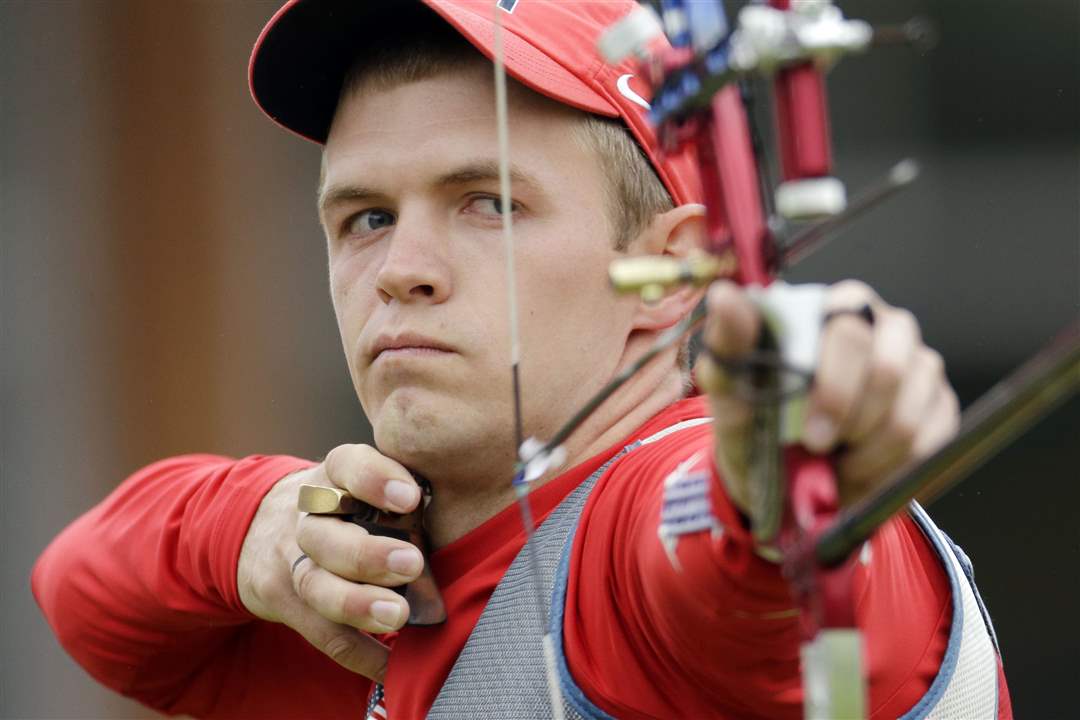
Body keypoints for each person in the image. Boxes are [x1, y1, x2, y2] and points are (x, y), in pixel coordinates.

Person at [32, 1, 1011, 718]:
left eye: (488, 203)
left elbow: (735, 571)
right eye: (366, 217)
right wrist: (258, 529)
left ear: (670, 272)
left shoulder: (642, 546)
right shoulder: (371, 597)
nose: (400, 271)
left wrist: (781, 472)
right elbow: (83, 594)